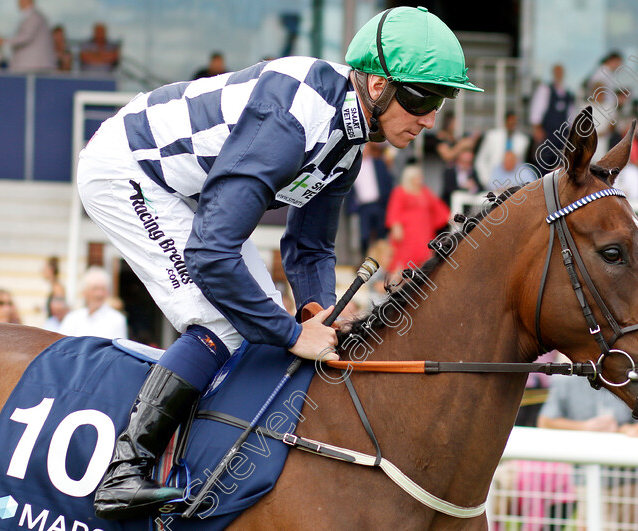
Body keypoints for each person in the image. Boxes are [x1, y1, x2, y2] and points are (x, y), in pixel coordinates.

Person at [77, 6, 482, 519]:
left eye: (439, 102)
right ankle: (124, 470)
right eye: (422, 98)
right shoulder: (292, 117)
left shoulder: (348, 140)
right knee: (226, 317)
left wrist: (318, 309)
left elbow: (309, 246)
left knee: (261, 311)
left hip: (184, 187)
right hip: (128, 170)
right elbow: (211, 253)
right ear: (377, 85)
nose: (429, 118)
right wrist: (293, 336)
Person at [538, 373, 638, 529]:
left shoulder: (631, 381)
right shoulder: (566, 382)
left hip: (629, 478)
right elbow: (545, 421)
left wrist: (624, 430)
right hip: (586, 479)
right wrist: (585, 427)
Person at [386, 164, 451, 274]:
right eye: (417, 177)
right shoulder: (400, 191)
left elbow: (437, 206)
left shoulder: (425, 191)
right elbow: (394, 211)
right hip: (407, 233)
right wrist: (396, 226)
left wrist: (450, 216)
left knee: (425, 255)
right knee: (404, 258)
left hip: (424, 231)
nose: (420, 180)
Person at [347, 142, 394, 258]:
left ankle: (380, 261)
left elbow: (387, 183)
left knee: (381, 235)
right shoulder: (351, 167)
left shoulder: (379, 163)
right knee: (364, 236)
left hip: (379, 204)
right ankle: (364, 259)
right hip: (362, 207)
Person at [59, 266, 128, 340]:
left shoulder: (117, 320)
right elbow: (61, 345)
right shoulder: (72, 318)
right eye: (95, 289)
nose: (99, 294)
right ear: (84, 292)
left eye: (103, 289)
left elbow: (117, 349)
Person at [529, 64, 575, 170]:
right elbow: (537, 108)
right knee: (544, 162)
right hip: (547, 132)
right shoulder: (545, 89)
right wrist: (537, 128)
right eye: (557, 72)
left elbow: (571, 115)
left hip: (563, 134)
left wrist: (571, 133)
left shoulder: (568, 93)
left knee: (560, 164)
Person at [474, 110, 530, 189]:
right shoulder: (492, 136)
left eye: (514, 123)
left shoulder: (523, 140)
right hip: (493, 182)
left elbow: (520, 164)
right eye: (510, 122)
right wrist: (486, 181)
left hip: (513, 185)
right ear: (505, 121)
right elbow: (480, 160)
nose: (511, 125)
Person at [6, 0, 55, 71]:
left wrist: (4, 41)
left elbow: (26, 36)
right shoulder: (31, 17)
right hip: (30, 68)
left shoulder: (34, 17)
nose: (19, 2)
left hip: (35, 67)